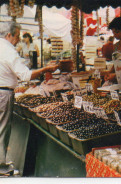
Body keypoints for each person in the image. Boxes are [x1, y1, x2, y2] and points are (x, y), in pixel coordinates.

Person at [0, 22, 58, 174]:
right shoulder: (8, 50)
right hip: (3, 93)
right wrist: (46, 69)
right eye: (17, 36)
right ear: (9, 35)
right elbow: (25, 75)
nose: (18, 39)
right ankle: (1, 167)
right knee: (2, 129)